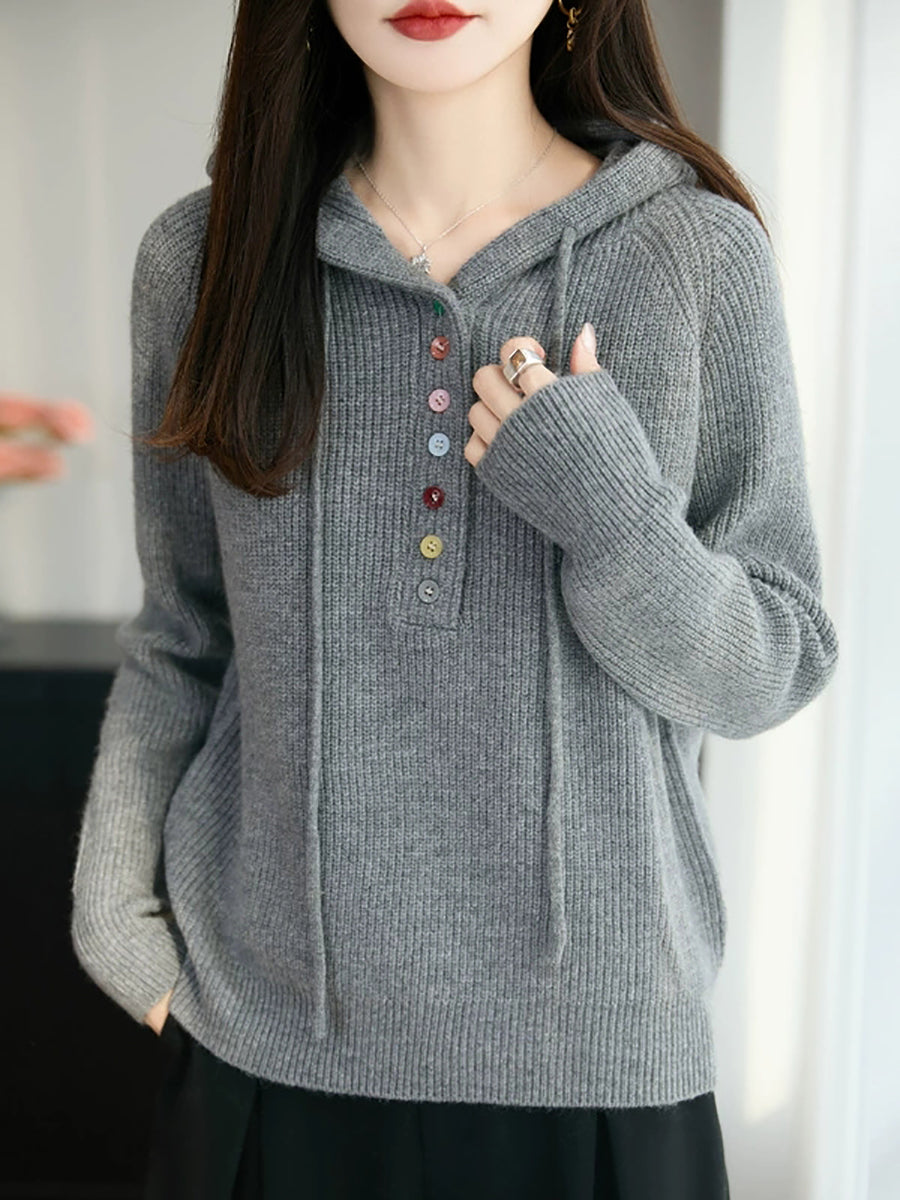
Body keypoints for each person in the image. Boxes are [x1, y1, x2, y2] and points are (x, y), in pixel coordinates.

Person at [70, 0, 841, 1196]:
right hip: (263, 1056)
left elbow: (771, 667)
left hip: (599, 1079)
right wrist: (116, 917)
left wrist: (609, 511)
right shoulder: (204, 258)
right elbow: (185, 633)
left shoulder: (694, 254)